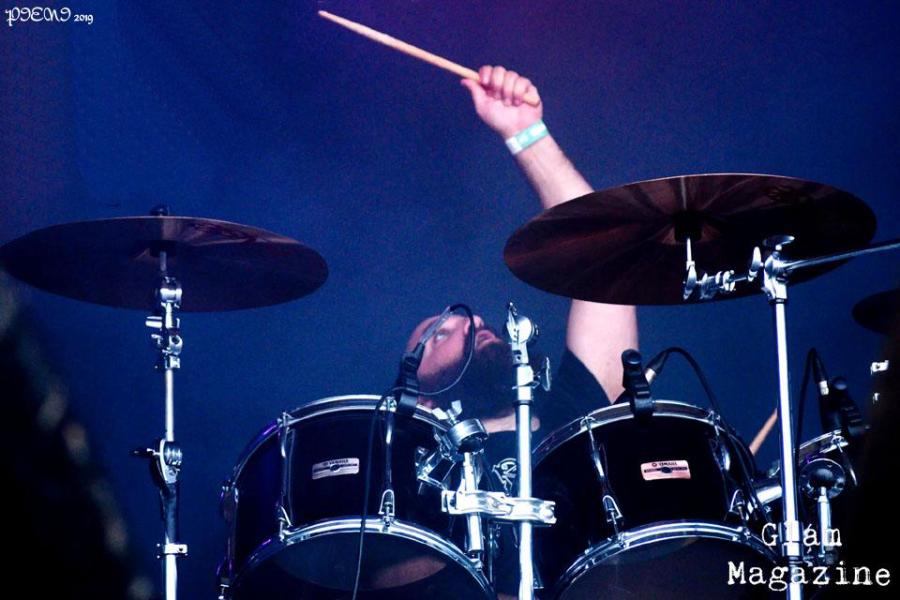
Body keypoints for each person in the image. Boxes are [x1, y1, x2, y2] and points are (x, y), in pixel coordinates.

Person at [404, 65, 639, 597]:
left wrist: (526, 134)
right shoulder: (412, 468)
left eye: (474, 321)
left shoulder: (572, 414)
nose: (474, 325)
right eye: (438, 334)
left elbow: (605, 253)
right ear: (418, 393)